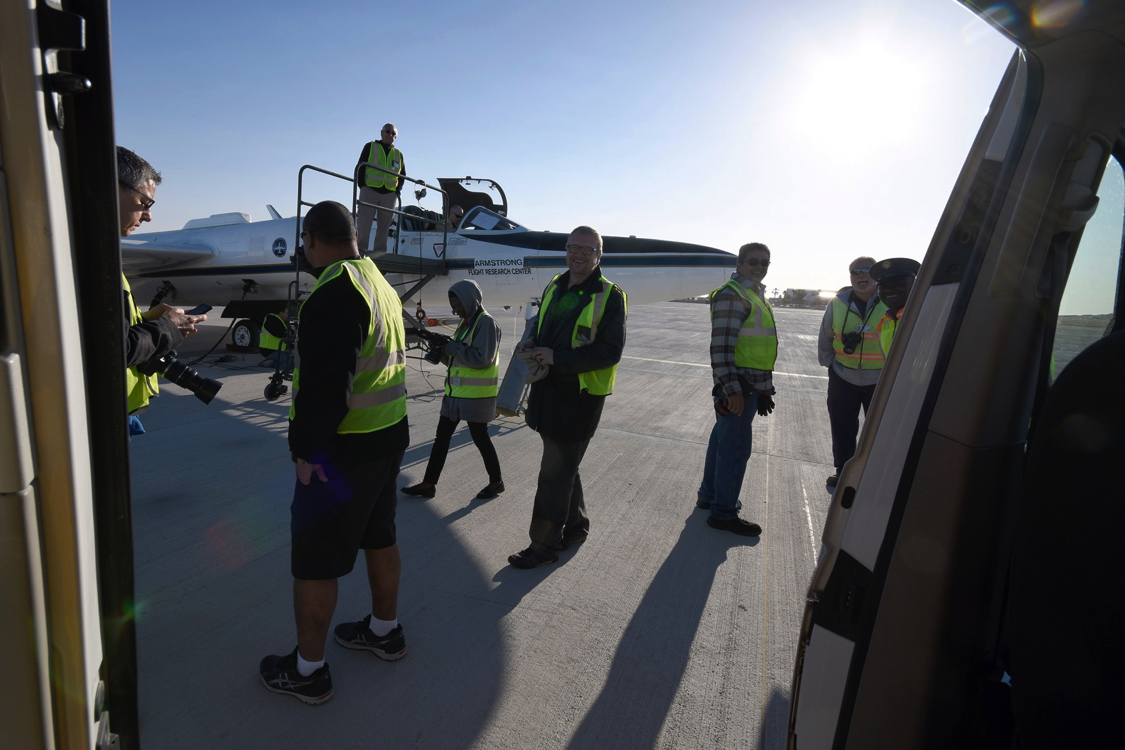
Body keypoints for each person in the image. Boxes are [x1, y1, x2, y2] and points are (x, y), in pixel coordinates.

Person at [259, 200, 410, 704]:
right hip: (387, 440)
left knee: (316, 562)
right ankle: (385, 631)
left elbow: (327, 391)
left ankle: (307, 671)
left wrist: (306, 452)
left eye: (304, 242)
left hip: (341, 455)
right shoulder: (378, 283)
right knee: (380, 536)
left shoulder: (333, 294)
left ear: (312, 239)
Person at [508, 226, 627, 569]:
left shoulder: (609, 295)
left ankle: (544, 545)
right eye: (573, 247)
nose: (578, 254)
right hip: (548, 392)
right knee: (564, 468)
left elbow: (610, 351)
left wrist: (558, 358)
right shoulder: (555, 285)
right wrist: (532, 341)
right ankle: (576, 526)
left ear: (598, 256)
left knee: (553, 475)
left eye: (587, 250)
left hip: (580, 398)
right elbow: (541, 326)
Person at [117, 146, 207, 431]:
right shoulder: (86, 258)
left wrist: (146, 320)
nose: (148, 217)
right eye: (145, 202)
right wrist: (167, 328)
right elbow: (115, 349)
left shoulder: (96, 256)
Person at [696, 242, 776, 537]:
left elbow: (756, 346)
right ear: (740, 264)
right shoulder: (734, 295)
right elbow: (720, 349)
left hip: (749, 385)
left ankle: (709, 496)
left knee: (721, 441)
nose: (759, 267)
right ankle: (724, 512)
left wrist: (764, 387)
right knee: (735, 449)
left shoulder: (754, 293)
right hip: (739, 388)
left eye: (764, 263)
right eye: (753, 262)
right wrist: (733, 391)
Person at [401, 280, 504, 500]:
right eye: (453, 305)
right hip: (455, 394)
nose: (455, 309)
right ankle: (429, 484)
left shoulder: (485, 323)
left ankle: (496, 482)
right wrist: (443, 354)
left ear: (470, 300)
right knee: (441, 438)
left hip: (476, 396)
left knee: (480, 438)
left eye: (459, 305)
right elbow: (459, 360)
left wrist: (452, 347)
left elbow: (482, 359)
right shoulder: (466, 324)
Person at [818, 257, 887, 487]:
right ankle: (844, 471)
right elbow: (826, 335)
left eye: (867, 271)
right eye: (856, 271)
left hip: (880, 379)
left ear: (876, 276)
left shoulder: (890, 303)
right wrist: (831, 366)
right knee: (842, 427)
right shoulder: (837, 303)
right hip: (843, 376)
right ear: (850, 277)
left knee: (880, 429)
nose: (861, 275)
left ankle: (876, 474)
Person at [356, 123, 405, 254]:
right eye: (388, 132)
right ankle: (360, 251)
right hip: (370, 190)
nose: (390, 135)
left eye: (394, 134)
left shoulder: (398, 154)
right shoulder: (370, 146)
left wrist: (397, 191)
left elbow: (402, 175)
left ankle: (380, 253)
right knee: (364, 223)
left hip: (389, 194)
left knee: (385, 225)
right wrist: (362, 186)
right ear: (382, 133)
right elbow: (360, 166)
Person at [870, 258, 921, 356]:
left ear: (915, 286)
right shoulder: (884, 324)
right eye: (882, 286)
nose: (889, 290)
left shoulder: (925, 317)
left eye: (897, 284)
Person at [259, 303, 293, 369]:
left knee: (296, 356)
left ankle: (276, 362)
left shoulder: (280, 320)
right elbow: (281, 334)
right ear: (280, 313)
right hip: (270, 351)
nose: (287, 315)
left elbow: (285, 335)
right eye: (286, 313)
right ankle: (271, 364)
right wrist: (291, 332)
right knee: (293, 361)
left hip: (277, 349)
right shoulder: (272, 320)